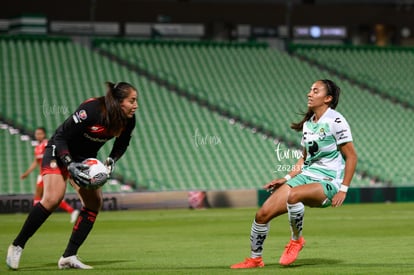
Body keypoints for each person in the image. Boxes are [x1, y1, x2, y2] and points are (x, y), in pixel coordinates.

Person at [6, 81, 138, 270]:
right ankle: (17, 245)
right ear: (119, 101)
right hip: (59, 150)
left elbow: (122, 143)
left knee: (94, 204)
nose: (136, 105)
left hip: (85, 158)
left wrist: (111, 160)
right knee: (53, 198)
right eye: (132, 100)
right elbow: (61, 137)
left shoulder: (128, 119)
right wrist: (69, 164)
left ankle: (69, 256)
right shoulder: (92, 110)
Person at [230, 79, 357, 269]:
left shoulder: (336, 121)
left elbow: (352, 157)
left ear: (328, 98)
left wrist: (343, 189)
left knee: (294, 194)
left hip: (329, 181)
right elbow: (304, 158)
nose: (309, 94)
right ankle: (255, 259)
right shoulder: (308, 125)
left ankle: (296, 240)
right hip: (307, 175)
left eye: (316, 91)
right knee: (262, 214)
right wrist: (287, 178)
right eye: (310, 90)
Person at [20, 127, 80, 223]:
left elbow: (54, 156)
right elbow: (36, 162)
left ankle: (35, 218)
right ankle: (72, 211)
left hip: (48, 174)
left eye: (40, 133)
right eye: (37, 133)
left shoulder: (47, 144)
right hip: (42, 174)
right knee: (50, 197)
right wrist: (27, 173)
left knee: (40, 196)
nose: (38, 135)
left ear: (44, 134)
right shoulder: (37, 148)